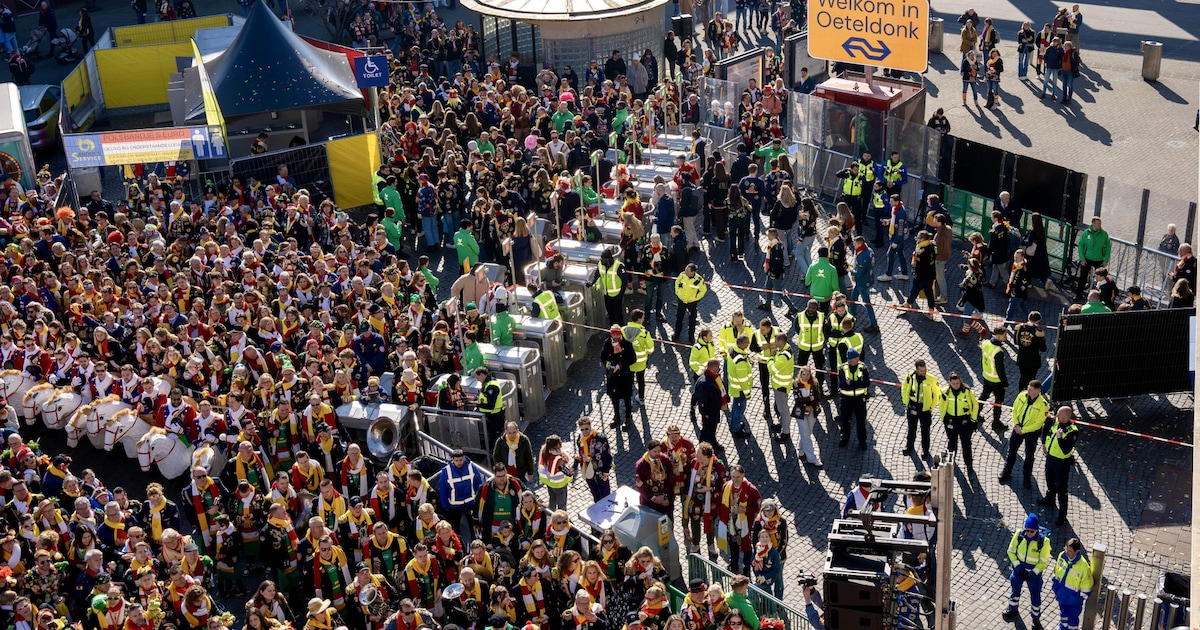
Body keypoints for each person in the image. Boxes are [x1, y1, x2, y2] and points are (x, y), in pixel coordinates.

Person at [999, 380, 1050, 488]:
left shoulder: (1043, 404)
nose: (1028, 391)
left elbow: (1038, 424)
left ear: (1038, 390)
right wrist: (1016, 424)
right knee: (1011, 451)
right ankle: (1006, 472)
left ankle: (1026, 478)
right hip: (1018, 428)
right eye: (1028, 388)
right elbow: (1015, 410)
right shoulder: (1022, 395)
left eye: (1031, 389)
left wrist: (1023, 430)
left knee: (1029, 456)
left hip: (1031, 433)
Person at [1003, 513, 1051, 629]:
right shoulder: (1019, 535)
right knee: (1015, 591)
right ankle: (1013, 609)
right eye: (1027, 530)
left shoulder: (1043, 542)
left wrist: (1032, 573)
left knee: (1035, 596)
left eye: (1032, 531)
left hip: (1033, 575)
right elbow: (1011, 551)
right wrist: (1018, 567)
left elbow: (1043, 561)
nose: (1029, 533)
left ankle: (1036, 619)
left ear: (1036, 530)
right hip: (1019, 571)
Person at [1038, 406, 1078, 525]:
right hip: (1050, 458)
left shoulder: (1072, 431)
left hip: (1062, 463)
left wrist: (1060, 438)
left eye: (1059, 415)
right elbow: (1046, 427)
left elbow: (1066, 450)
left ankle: (1062, 515)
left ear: (1066, 417)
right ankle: (1050, 498)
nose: (1056, 417)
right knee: (1049, 481)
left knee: (1061, 489)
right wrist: (1044, 443)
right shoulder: (1055, 422)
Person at [719, 466, 760, 577]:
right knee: (732, 543)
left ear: (743, 475)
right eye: (733, 477)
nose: (735, 479)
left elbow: (758, 507)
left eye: (738, 477)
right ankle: (734, 565)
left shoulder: (751, 490)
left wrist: (745, 509)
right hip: (731, 522)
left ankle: (746, 569)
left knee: (746, 547)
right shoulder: (726, 487)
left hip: (745, 523)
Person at [900, 360, 941, 458]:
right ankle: (909, 447)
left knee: (925, 431)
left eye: (924, 370)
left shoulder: (931, 379)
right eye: (921, 370)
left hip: (925, 409)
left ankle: (925, 450)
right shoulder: (910, 377)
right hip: (912, 406)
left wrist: (931, 407)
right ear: (916, 369)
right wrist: (906, 403)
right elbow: (904, 388)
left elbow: (937, 394)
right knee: (911, 428)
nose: (923, 372)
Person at [940, 372, 980, 472]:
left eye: (957, 383)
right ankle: (950, 462)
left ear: (960, 381)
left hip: (964, 422)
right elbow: (941, 405)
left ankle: (969, 465)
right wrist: (943, 418)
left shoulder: (967, 391)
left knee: (966, 444)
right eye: (953, 383)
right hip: (951, 421)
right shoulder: (945, 392)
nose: (956, 385)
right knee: (952, 443)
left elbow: (975, 405)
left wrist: (973, 420)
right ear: (949, 382)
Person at [1051, 538, 1093, 630]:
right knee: (1063, 616)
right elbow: (1057, 571)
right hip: (1062, 595)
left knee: (1072, 621)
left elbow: (1087, 586)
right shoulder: (1061, 556)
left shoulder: (1083, 566)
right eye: (1066, 549)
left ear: (1077, 551)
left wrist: (1079, 599)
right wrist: (1055, 587)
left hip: (1074, 601)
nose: (1067, 552)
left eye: (1069, 551)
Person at [600, 324, 636, 430]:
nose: (615, 337)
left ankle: (628, 417)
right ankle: (616, 416)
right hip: (612, 375)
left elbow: (632, 359)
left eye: (617, 334)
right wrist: (606, 363)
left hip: (624, 375)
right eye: (613, 335)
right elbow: (602, 355)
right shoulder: (607, 343)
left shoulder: (627, 344)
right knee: (614, 397)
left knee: (626, 397)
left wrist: (621, 365)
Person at [837, 348, 870, 450]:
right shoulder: (843, 368)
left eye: (857, 357)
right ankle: (844, 438)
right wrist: (857, 385)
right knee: (845, 420)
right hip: (846, 399)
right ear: (850, 359)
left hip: (860, 399)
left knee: (861, 421)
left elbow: (866, 383)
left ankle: (862, 441)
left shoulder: (863, 367)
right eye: (855, 357)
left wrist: (851, 383)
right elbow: (842, 385)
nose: (857, 359)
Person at [574, 416, 612, 502]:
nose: (584, 432)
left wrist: (606, 471)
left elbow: (607, 455)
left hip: (600, 469)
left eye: (586, 429)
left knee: (605, 493)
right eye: (582, 429)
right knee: (594, 493)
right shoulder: (580, 439)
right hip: (587, 468)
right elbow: (581, 452)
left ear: (590, 426)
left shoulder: (600, 437)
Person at [693, 358, 729, 449]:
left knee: (713, 427)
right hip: (709, 411)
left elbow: (721, 388)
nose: (719, 368)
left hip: (715, 407)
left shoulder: (714, 377)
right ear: (715, 367)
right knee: (706, 430)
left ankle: (713, 441)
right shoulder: (704, 382)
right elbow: (702, 401)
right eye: (718, 366)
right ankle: (704, 448)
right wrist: (705, 413)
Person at [634, 440, 674, 514]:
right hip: (649, 503)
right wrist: (653, 498)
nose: (657, 453)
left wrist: (664, 495)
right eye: (655, 451)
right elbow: (640, 486)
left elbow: (671, 477)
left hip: (665, 502)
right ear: (649, 451)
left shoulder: (665, 460)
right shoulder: (641, 465)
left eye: (659, 451)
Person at [624, 309, 654, 408]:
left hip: (628, 362)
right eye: (642, 318)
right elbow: (651, 349)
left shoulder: (623, 330)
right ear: (638, 319)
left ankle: (627, 397)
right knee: (641, 380)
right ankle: (641, 398)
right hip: (641, 363)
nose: (643, 319)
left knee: (628, 380)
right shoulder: (644, 333)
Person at [674, 263, 707, 343]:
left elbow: (703, 290)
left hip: (692, 303)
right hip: (682, 300)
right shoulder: (682, 275)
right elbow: (677, 282)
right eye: (685, 269)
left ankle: (691, 336)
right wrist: (677, 292)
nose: (685, 271)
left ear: (692, 272)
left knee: (692, 320)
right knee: (679, 318)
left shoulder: (699, 280)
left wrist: (696, 298)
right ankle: (676, 334)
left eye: (687, 270)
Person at [537, 435, 572, 511]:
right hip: (559, 483)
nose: (561, 443)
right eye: (560, 442)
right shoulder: (558, 459)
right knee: (561, 504)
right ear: (556, 446)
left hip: (549, 482)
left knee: (552, 500)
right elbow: (568, 470)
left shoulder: (544, 449)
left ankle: (551, 515)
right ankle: (562, 518)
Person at [597, 248, 627, 327]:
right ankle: (612, 332)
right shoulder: (600, 264)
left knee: (618, 316)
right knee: (611, 315)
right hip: (607, 294)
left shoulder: (618, 266)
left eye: (602, 258)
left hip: (617, 295)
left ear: (607, 259)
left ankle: (621, 333)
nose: (601, 260)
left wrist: (621, 294)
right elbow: (597, 274)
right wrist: (591, 283)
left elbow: (624, 280)